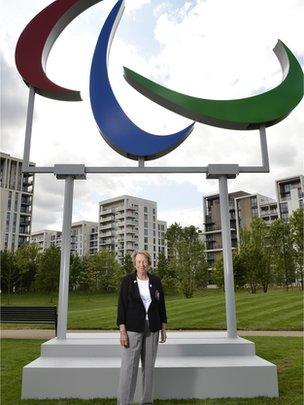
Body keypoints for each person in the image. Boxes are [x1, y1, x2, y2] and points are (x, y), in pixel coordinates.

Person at [117, 250, 167, 405]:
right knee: (128, 368)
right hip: (132, 328)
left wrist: (163, 328)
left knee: (149, 368)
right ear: (135, 263)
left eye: (144, 261)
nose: (141, 265)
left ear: (149, 263)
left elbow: (161, 306)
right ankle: (124, 402)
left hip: (152, 327)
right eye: (138, 262)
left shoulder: (156, 281)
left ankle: (147, 401)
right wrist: (122, 331)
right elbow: (121, 307)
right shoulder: (127, 281)